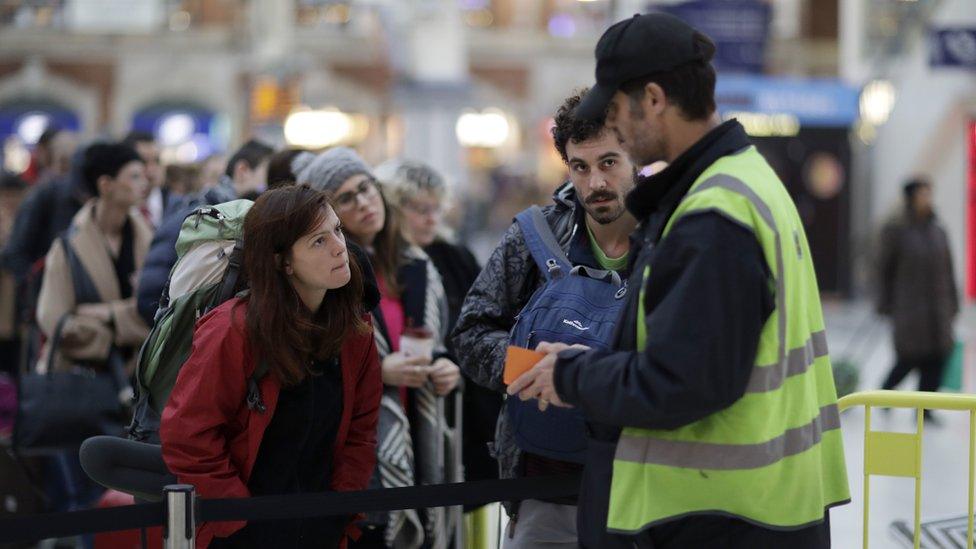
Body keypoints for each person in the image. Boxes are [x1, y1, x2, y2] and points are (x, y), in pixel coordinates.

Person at [506, 13, 851, 548]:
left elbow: (682, 383)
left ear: (654, 98)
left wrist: (573, 375)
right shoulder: (748, 180)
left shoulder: (713, 217)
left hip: (721, 517)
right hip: (764, 507)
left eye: (617, 112)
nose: (615, 129)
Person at [452, 90, 637, 547]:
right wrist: (534, 370)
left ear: (638, 156)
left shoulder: (675, 239)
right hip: (542, 485)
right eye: (580, 167)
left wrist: (592, 373)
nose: (595, 182)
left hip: (640, 484)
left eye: (610, 163)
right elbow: (471, 331)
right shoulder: (534, 235)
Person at [160, 185, 382, 548]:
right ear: (283, 261)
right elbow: (188, 435)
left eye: (337, 231)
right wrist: (239, 521)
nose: (340, 247)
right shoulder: (233, 329)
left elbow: (362, 428)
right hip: (245, 533)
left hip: (321, 529)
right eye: (318, 241)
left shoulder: (355, 326)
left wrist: (341, 508)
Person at [298, 147, 461, 549]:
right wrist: (380, 370)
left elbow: (437, 341)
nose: (364, 203)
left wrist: (445, 367)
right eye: (347, 198)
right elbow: (308, 359)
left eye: (366, 189)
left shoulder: (416, 263)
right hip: (360, 442)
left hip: (420, 425)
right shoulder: (329, 272)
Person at [378, 160, 503, 497]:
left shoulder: (454, 256)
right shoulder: (382, 261)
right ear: (393, 207)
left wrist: (455, 365)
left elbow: (484, 326)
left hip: (462, 411)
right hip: (402, 405)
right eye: (420, 209)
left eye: (437, 208)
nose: (432, 218)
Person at [35, 142, 152, 375]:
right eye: (135, 176)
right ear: (106, 184)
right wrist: (120, 330)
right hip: (80, 380)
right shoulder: (67, 247)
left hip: (139, 375)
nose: (144, 184)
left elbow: (158, 312)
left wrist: (108, 314)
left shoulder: (148, 237)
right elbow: (56, 321)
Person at [136, 139, 274, 324]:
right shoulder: (198, 220)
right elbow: (150, 298)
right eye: (272, 179)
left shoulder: (244, 224)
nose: (275, 192)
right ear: (242, 171)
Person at [877, 178, 959, 405]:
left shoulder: (938, 231)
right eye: (922, 194)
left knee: (938, 358)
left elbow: (948, 270)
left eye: (928, 194)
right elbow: (884, 270)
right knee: (909, 358)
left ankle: (925, 410)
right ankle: (884, 394)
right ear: (910, 198)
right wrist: (884, 304)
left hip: (938, 308)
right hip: (909, 308)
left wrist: (954, 303)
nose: (927, 199)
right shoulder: (896, 231)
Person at [122, 131, 168, 228]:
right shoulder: (117, 208)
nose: (151, 171)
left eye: (156, 161)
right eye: (143, 162)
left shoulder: (176, 206)